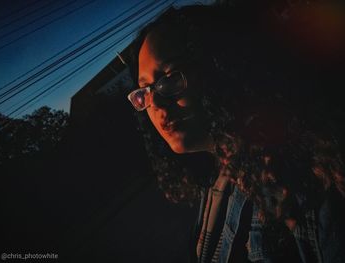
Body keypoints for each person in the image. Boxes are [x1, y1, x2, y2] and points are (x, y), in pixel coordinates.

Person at [126, 2, 345, 263]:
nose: (157, 104)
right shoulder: (219, 176)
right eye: (145, 91)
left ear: (218, 66)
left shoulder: (307, 179)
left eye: (171, 77)